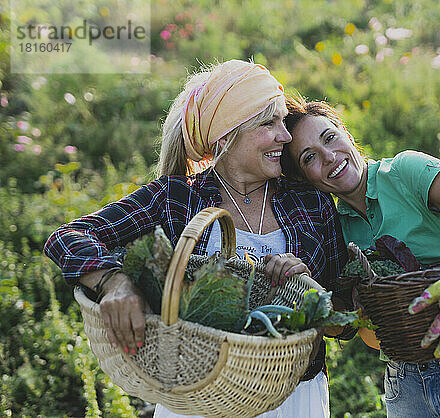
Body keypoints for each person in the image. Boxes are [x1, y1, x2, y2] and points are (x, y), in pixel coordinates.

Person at [44, 60, 351, 418]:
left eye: (283, 121)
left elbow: (343, 317)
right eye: (269, 123)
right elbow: (68, 237)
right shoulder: (178, 198)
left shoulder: (309, 202)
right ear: (226, 137)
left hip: (294, 398)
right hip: (196, 400)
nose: (285, 136)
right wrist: (115, 282)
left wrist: (311, 291)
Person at [281, 96, 440, 417]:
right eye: (310, 158)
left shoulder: (404, 172)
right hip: (406, 386)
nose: (329, 157)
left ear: (346, 134)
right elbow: (372, 339)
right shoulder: (338, 228)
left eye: (330, 138)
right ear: (306, 178)